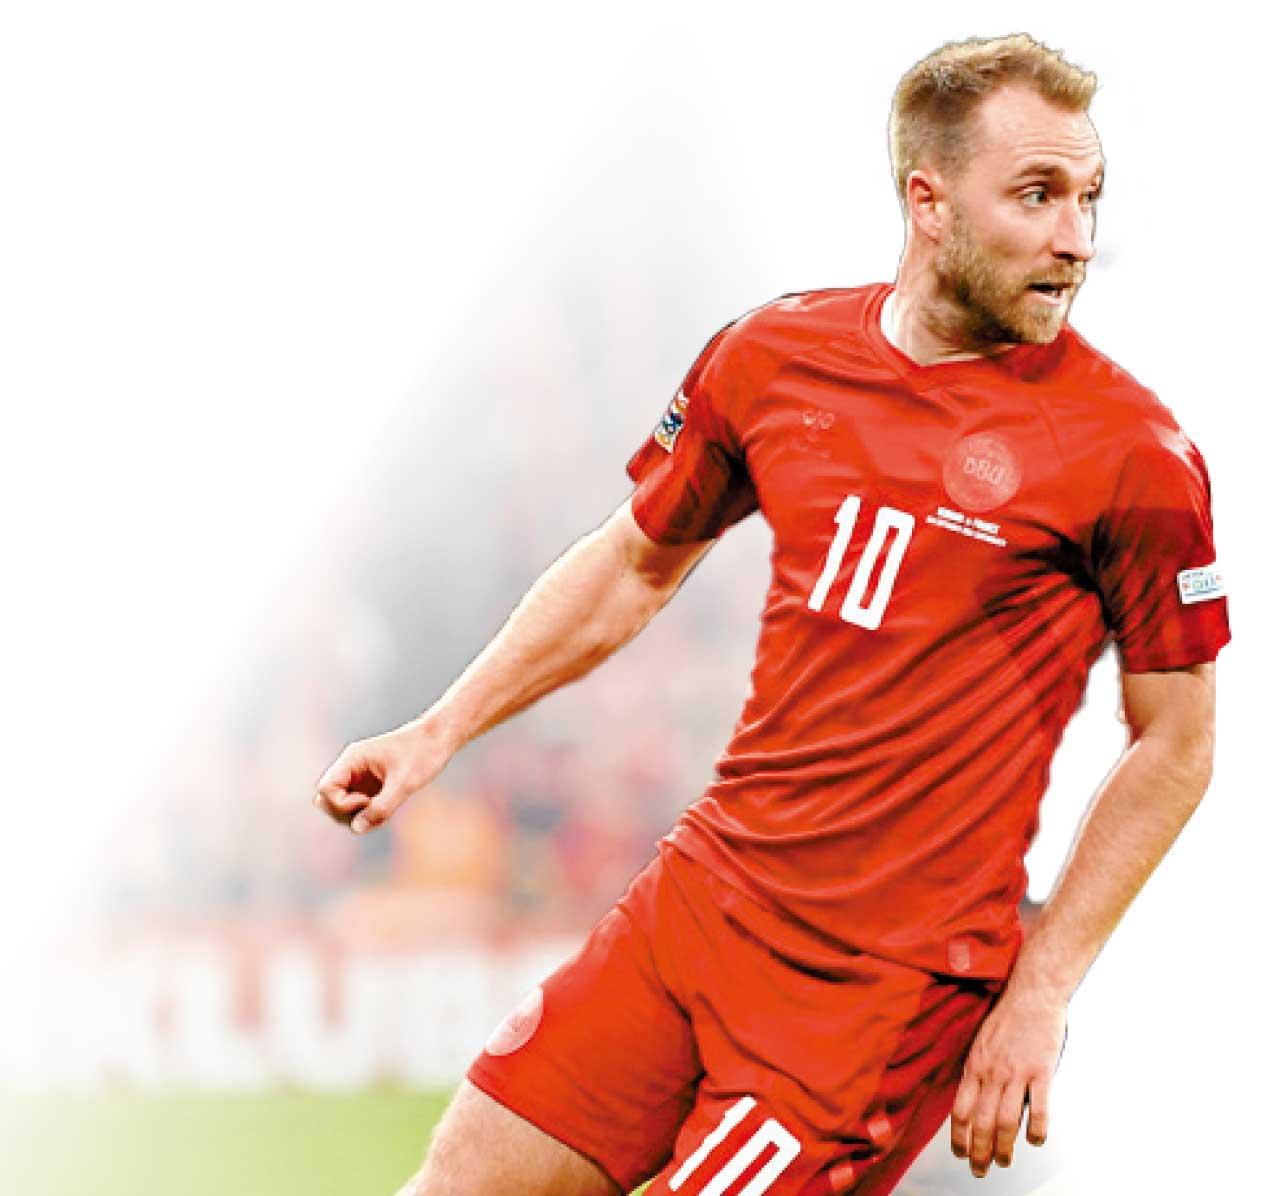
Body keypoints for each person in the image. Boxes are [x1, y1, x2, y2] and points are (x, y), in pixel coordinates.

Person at [314, 33, 1229, 1196]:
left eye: (1088, 197)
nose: (1075, 238)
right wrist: (435, 729)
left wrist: (1040, 989)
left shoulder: (1131, 454)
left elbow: (1176, 740)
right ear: (928, 201)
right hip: (702, 900)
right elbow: (629, 565)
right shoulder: (772, 355)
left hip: (873, 994)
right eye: (1037, 194)